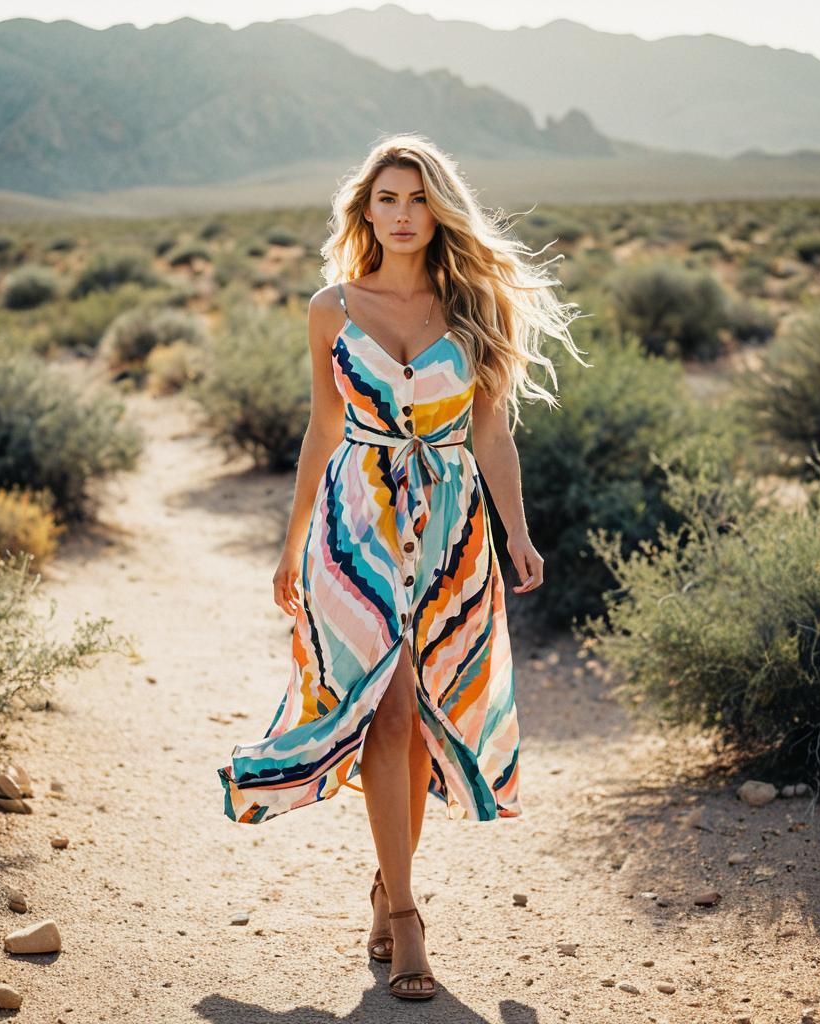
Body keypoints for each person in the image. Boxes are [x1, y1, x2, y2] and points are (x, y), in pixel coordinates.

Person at [218, 133, 590, 1000]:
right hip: (357, 528)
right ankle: (411, 918)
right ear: (365, 211)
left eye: (418, 198)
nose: (403, 214)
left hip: (454, 526)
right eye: (388, 199)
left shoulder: (475, 307)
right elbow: (320, 430)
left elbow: (492, 433)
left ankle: (388, 884)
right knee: (382, 713)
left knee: (421, 723)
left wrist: (518, 533)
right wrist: (291, 541)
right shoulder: (331, 308)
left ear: (439, 209)